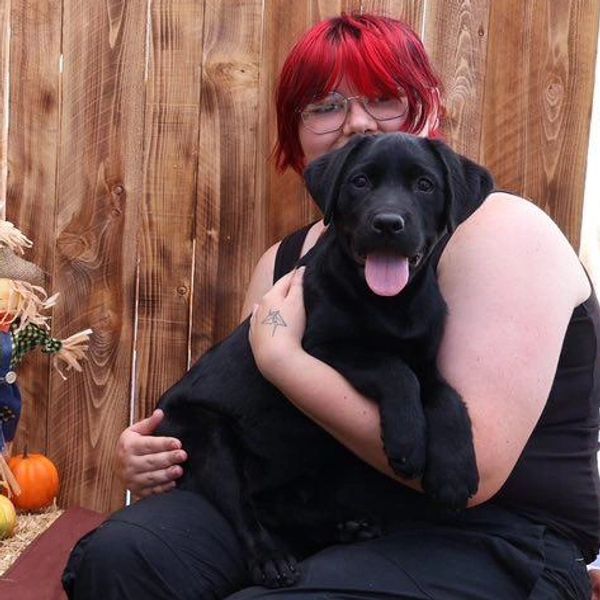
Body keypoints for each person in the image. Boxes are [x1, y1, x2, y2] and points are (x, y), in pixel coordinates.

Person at [62, 13, 599, 599]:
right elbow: (250, 413)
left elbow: (475, 471)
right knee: (124, 557)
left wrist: (283, 360)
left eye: (384, 98)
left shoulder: (501, 229)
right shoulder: (283, 260)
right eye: (325, 106)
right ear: (297, 135)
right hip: (318, 508)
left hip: (496, 538)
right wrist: (160, 456)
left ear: (427, 108)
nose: (357, 121)